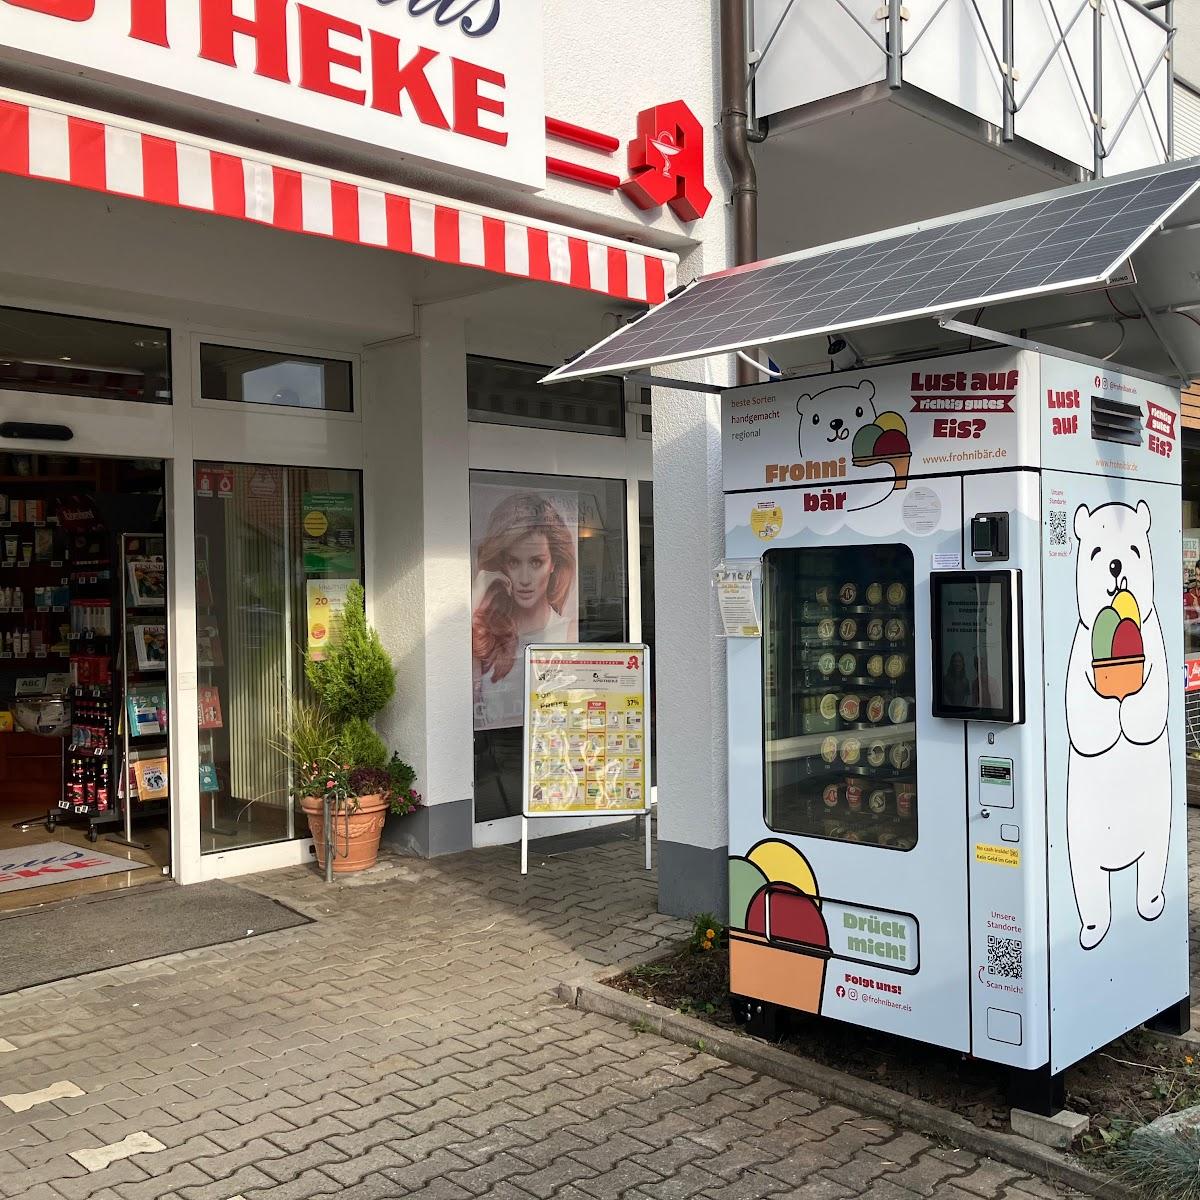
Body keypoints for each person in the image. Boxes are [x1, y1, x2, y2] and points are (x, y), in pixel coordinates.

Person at [471, 492, 577, 728]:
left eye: (536, 562)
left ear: (553, 565)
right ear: (502, 565)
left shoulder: (569, 634)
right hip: (491, 753)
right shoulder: (484, 634)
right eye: (514, 562)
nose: (525, 578)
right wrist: (476, 597)